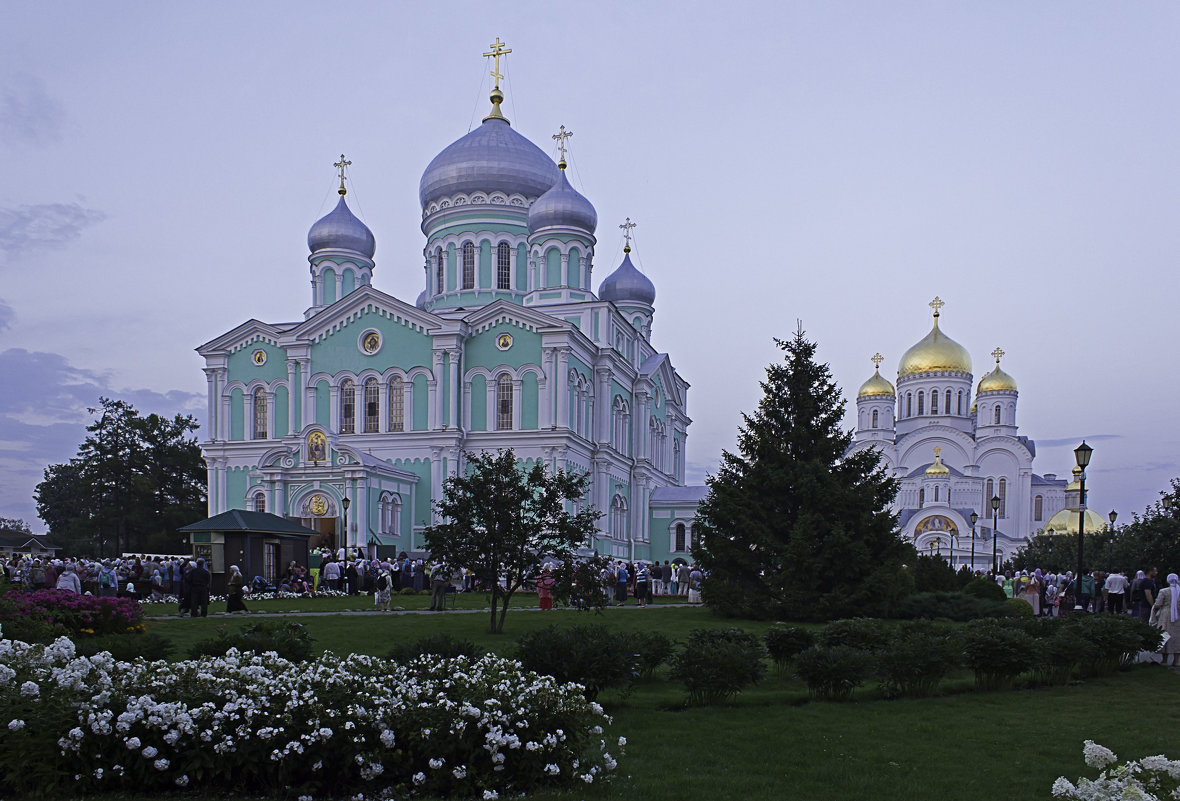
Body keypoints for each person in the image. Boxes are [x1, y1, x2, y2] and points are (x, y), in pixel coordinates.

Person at [1148, 573, 1180, 668]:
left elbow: (1158, 604)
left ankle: (1164, 659)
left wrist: (1154, 611)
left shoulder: (1164, 591)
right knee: (1177, 637)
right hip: (1178, 615)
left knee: (1165, 635)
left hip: (1165, 615)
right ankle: (1176, 660)